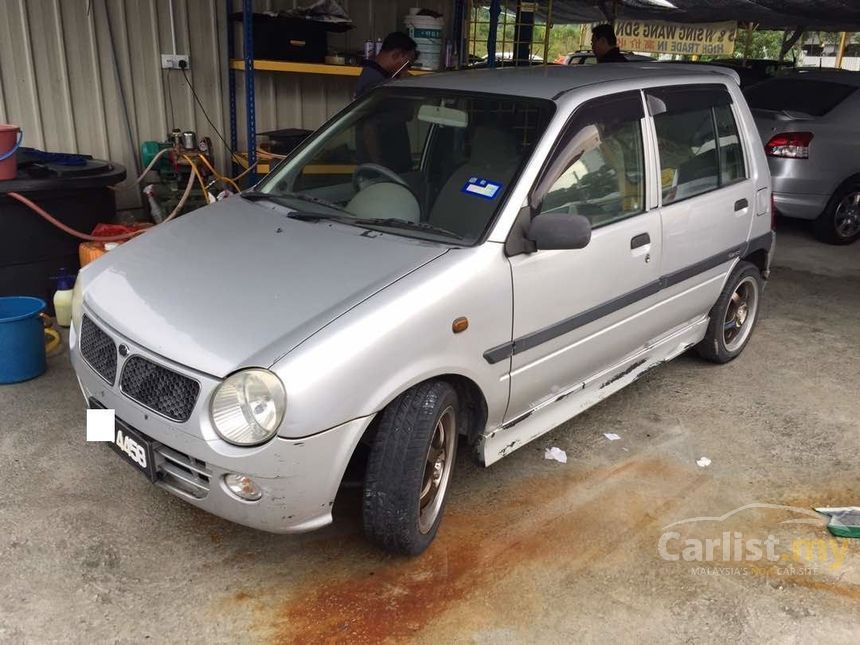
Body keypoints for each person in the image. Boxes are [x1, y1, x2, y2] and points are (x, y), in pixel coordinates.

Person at [354, 32, 419, 173]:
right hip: (382, 169)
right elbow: (368, 127)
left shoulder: (385, 79)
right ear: (397, 55)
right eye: (408, 64)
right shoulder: (376, 84)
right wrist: (378, 166)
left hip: (390, 165)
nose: (408, 69)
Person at [355, 32, 418, 98]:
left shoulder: (376, 74)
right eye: (408, 65)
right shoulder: (374, 78)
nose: (406, 70)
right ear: (396, 55)